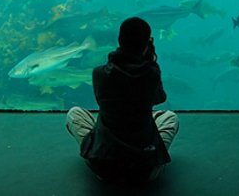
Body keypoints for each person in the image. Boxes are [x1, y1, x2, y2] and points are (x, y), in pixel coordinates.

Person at [66, 17, 179, 182]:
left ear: (119, 40)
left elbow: (103, 102)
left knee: (74, 114)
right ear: (147, 44)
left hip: (103, 167)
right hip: (145, 170)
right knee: (170, 117)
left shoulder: (100, 73)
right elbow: (160, 98)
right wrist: (150, 62)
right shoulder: (150, 73)